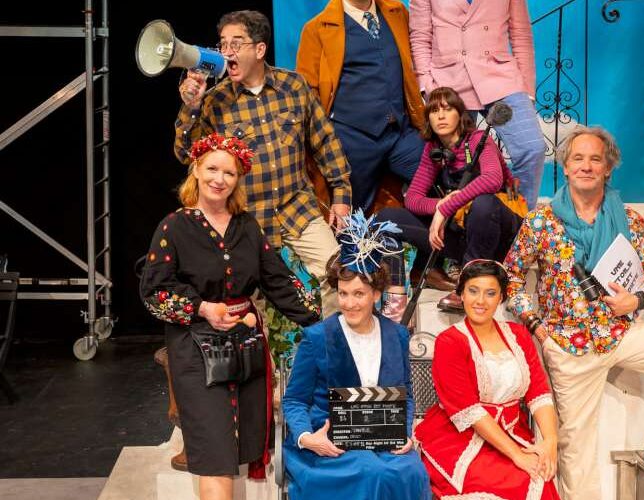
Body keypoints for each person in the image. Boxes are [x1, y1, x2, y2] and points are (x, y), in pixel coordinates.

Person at [504, 126, 644, 499]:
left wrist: (637, 301)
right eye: (578, 158)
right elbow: (512, 279)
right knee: (577, 452)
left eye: (595, 159)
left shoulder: (629, 220)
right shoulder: (541, 222)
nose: (586, 166)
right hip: (569, 346)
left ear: (608, 168)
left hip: (621, 333)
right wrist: (536, 326)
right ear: (565, 167)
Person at [141, 134, 320, 500]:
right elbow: (154, 292)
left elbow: (278, 282)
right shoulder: (174, 227)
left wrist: (324, 324)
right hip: (195, 351)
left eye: (230, 173)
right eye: (212, 169)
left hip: (245, 348)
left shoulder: (247, 227)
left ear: (239, 180)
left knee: (235, 449)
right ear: (196, 169)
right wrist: (202, 308)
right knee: (215, 455)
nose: (219, 179)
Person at [175, 10, 351, 317]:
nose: (226, 51)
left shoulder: (293, 86)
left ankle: (331, 343)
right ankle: (259, 349)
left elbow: (325, 141)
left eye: (236, 43)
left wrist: (341, 195)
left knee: (338, 273)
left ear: (259, 49)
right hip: (246, 218)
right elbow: (186, 155)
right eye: (223, 44)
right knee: (244, 297)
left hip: (297, 208)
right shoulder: (215, 101)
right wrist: (191, 107)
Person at [281, 212, 431, 500]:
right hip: (330, 444)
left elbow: (406, 393)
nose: (349, 303)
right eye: (343, 294)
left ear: (376, 294)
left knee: (411, 472)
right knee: (371, 473)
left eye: (359, 294)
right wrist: (306, 438)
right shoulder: (317, 338)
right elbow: (295, 400)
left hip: (384, 443)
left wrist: (405, 433)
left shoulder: (397, 335)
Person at [415, 260, 560, 499]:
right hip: (459, 438)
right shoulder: (449, 342)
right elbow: (468, 411)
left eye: (490, 293)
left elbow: (539, 393)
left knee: (541, 478)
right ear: (461, 294)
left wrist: (550, 442)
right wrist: (518, 456)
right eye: (473, 291)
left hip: (514, 432)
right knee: (509, 482)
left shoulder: (519, 335)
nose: (480, 301)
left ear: (501, 297)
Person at [378, 87, 522, 314]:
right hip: (465, 236)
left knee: (482, 204)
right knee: (387, 218)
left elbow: (492, 179)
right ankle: (395, 305)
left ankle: (468, 284)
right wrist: (438, 205)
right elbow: (413, 199)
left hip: (497, 234)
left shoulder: (478, 139)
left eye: (447, 109)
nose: (441, 116)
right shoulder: (434, 149)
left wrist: (446, 208)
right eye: (434, 111)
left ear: (460, 114)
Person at [409, 0, 547, 209]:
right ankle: (465, 220)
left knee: (532, 148)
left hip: (500, 77)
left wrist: (526, 89)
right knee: (456, 166)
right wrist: (427, 85)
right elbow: (420, 36)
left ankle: (518, 219)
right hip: (448, 81)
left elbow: (521, 34)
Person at [296, 0, 425, 212]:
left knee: (434, 179)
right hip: (352, 138)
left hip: (400, 131)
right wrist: (326, 140)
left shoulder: (397, 12)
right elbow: (308, 91)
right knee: (352, 214)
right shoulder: (317, 28)